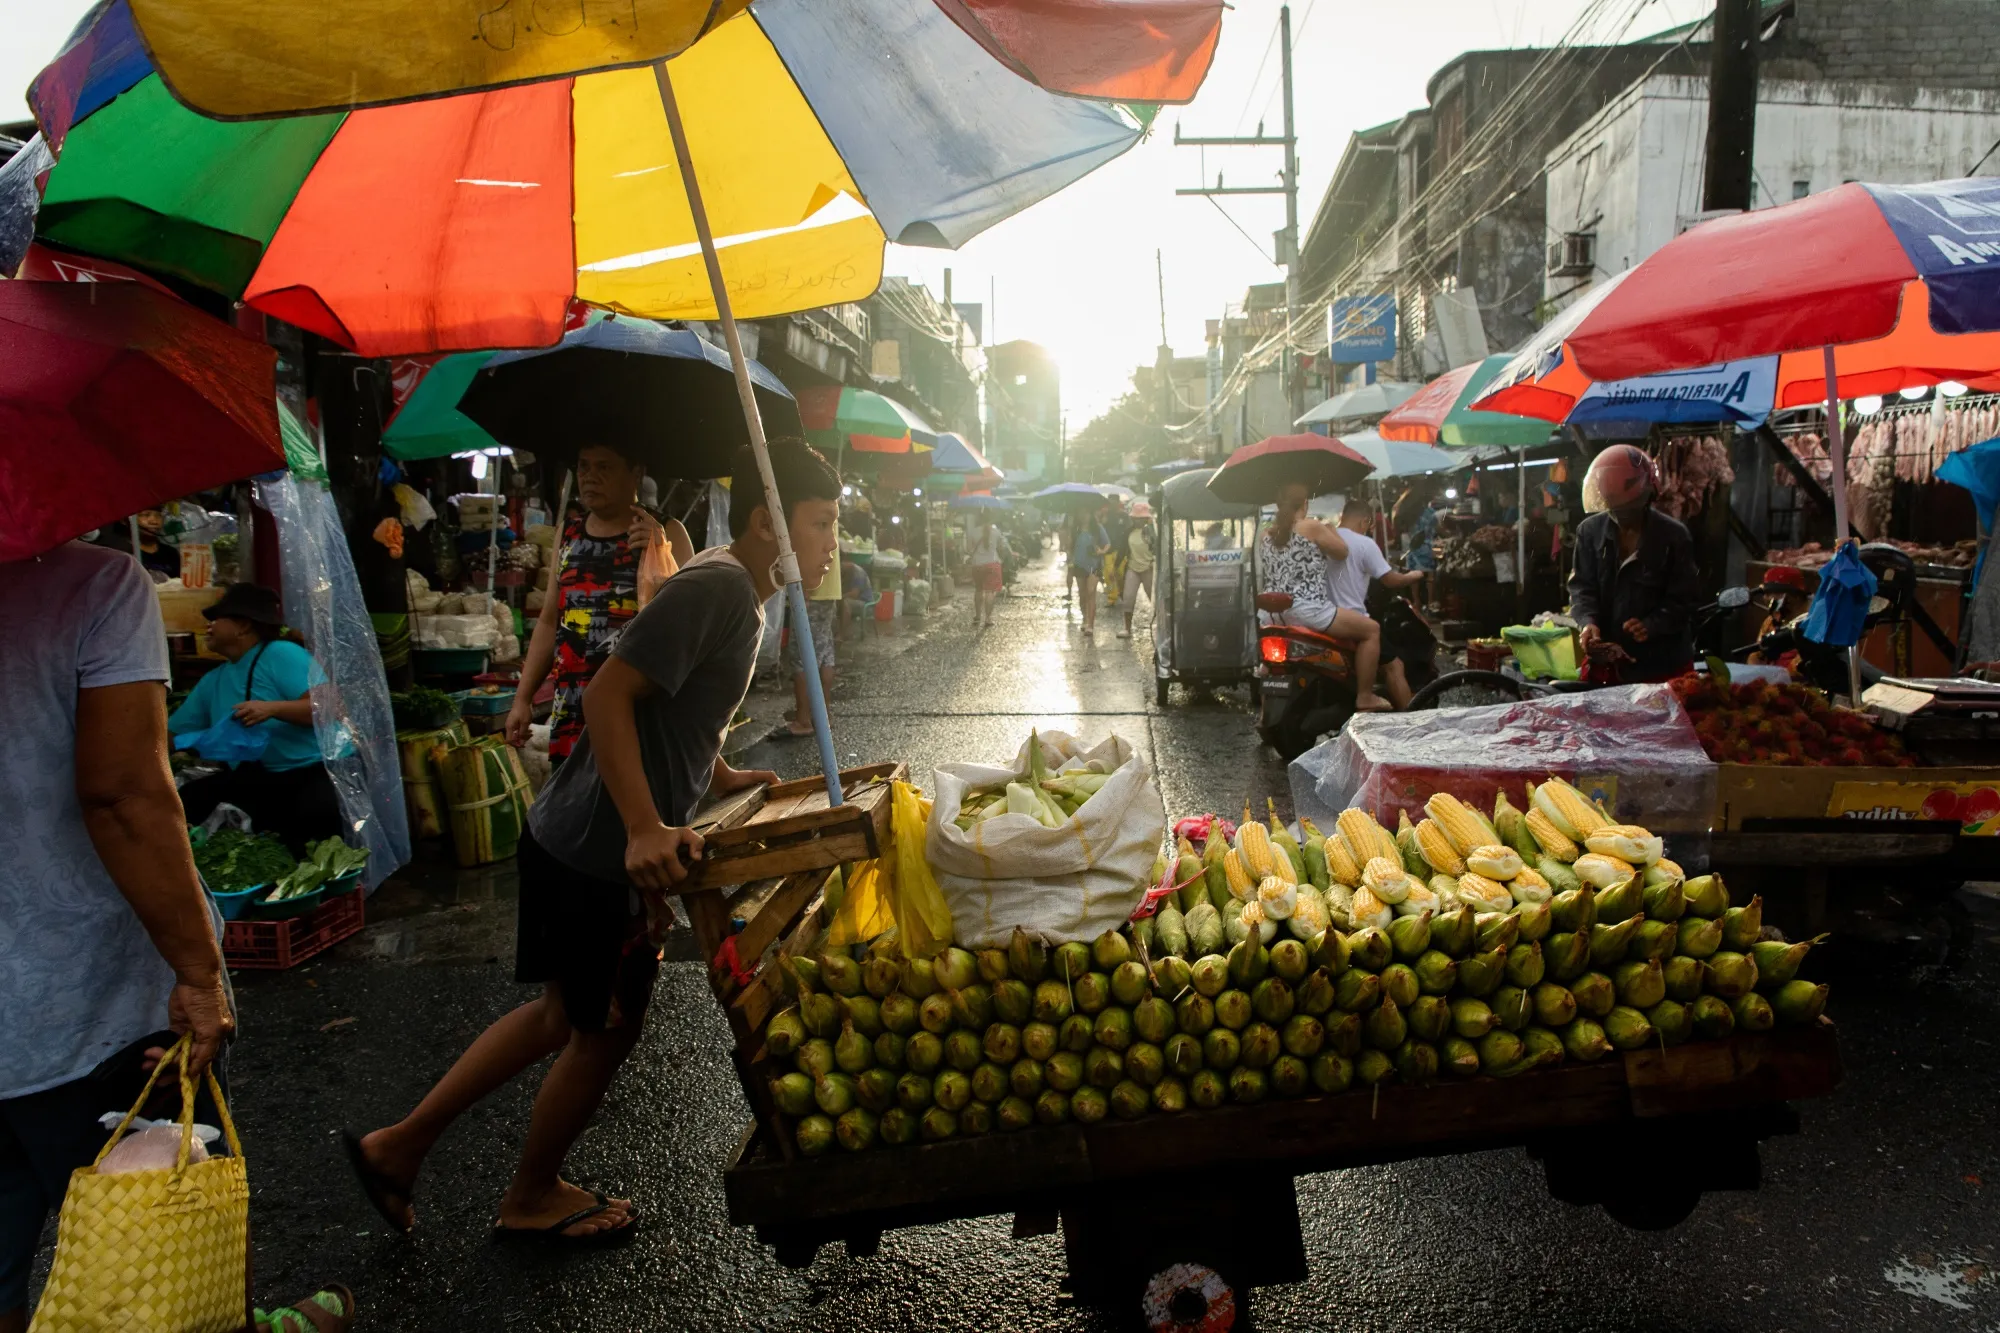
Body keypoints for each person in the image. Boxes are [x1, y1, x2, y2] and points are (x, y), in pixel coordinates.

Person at [348, 440, 842, 1244]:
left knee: (557, 1017)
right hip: (596, 842)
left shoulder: (735, 586)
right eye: (820, 524)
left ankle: (399, 1147)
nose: (830, 546)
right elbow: (612, 691)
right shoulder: (719, 586)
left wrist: (713, 772)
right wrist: (647, 826)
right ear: (766, 521)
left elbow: (668, 699)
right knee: (602, 1029)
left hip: (578, 833)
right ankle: (529, 1193)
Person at [0, 541, 233, 1333]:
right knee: (154, 1260)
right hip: (80, 1003)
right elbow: (123, 793)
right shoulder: (95, 583)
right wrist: (198, 974)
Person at [506, 442, 692, 765]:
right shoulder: (568, 534)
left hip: (639, 718)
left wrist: (662, 553)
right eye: (583, 467)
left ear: (636, 472)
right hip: (572, 716)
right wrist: (523, 698)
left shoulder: (667, 532)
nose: (590, 477)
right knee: (572, 812)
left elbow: (692, 619)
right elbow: (551, 620)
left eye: (604, 467)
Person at [172, 583, 353, 853]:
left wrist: (272, 709)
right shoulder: (215, 679)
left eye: (216, 619)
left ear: (243, 625)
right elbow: (171, 733)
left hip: (315, 774)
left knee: (305, 840)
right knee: (186, 801)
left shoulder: (280, 653)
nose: (208, 625)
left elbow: (331, 708)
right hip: (260, 779)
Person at [1569, 444, 1700, 682]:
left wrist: (1652, 625)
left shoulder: (1674, 536)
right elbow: (1581, 588)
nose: (1620, 517)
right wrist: (1588, 623)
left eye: (1627, 509)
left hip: (1662, 665)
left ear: (1648, 497)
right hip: (1609, 666)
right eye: (1612, 509)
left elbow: (1685, 600)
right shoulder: (1589, 532)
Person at [776, 529, 839, 740]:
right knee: (824, 651)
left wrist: (804, 586)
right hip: (829, 587)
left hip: (811, 587)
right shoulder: (830, 509)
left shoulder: (812, 507)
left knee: (801, 654)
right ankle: (824, 715)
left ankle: (804, 719)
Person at [1071, 506, 1112, 636]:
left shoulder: (1097, 528)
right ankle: (1084, 618)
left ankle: (1090, 625)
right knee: (1082, 594)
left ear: (1090, 515)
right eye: (1081, 513)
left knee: (1090, 592)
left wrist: (1102, 551)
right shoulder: (1075, 530)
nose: (1084, 516)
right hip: (1079, 565)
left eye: (1086, 513)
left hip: (1094, 565)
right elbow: (1070, 546)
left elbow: (1107, 543)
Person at [967, 511, 1003, 631]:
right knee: (989, 592)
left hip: (977, 565)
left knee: (978, 590)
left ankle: (977, 616)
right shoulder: (996, 532)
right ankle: (988, 618)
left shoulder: (973, 532)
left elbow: (968, 549)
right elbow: (1000, 547)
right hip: (992, 564)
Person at [1119, 518, 1155, 639]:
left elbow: (1158, 549)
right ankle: (1127, 628)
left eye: (1139, 518)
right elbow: (1123, 549)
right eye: (1135, 518)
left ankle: (1161, 625)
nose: (1137, 521)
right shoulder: (1128, 532)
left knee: (1153, 598)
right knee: (1128, 597)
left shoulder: (1152, 531)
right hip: (1132, 568)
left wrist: (1154, 562)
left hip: (1148, 568)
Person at [133, 507, 181, 581]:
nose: (154, 521)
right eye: (145, 515)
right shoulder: (122, 553)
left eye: (159, 515)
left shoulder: (170, 553)